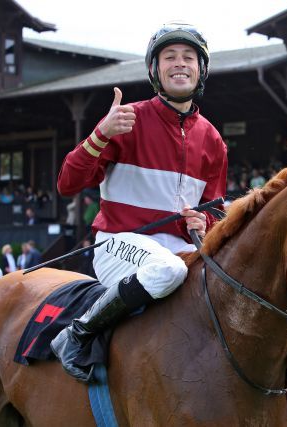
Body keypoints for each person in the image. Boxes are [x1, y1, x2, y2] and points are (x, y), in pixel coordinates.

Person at [51, 22, 228, 382]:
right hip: (119, 243)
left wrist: (204, 223)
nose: (180, 64)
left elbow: (216, 211)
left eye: (188, 57)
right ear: (155, 70)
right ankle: (77, 334)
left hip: (181, 249)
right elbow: (67, 184)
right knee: (169, 271)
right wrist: (101, 134)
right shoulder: (125, 120)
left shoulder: (213, 140)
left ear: (201, 69)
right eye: (170, 57)